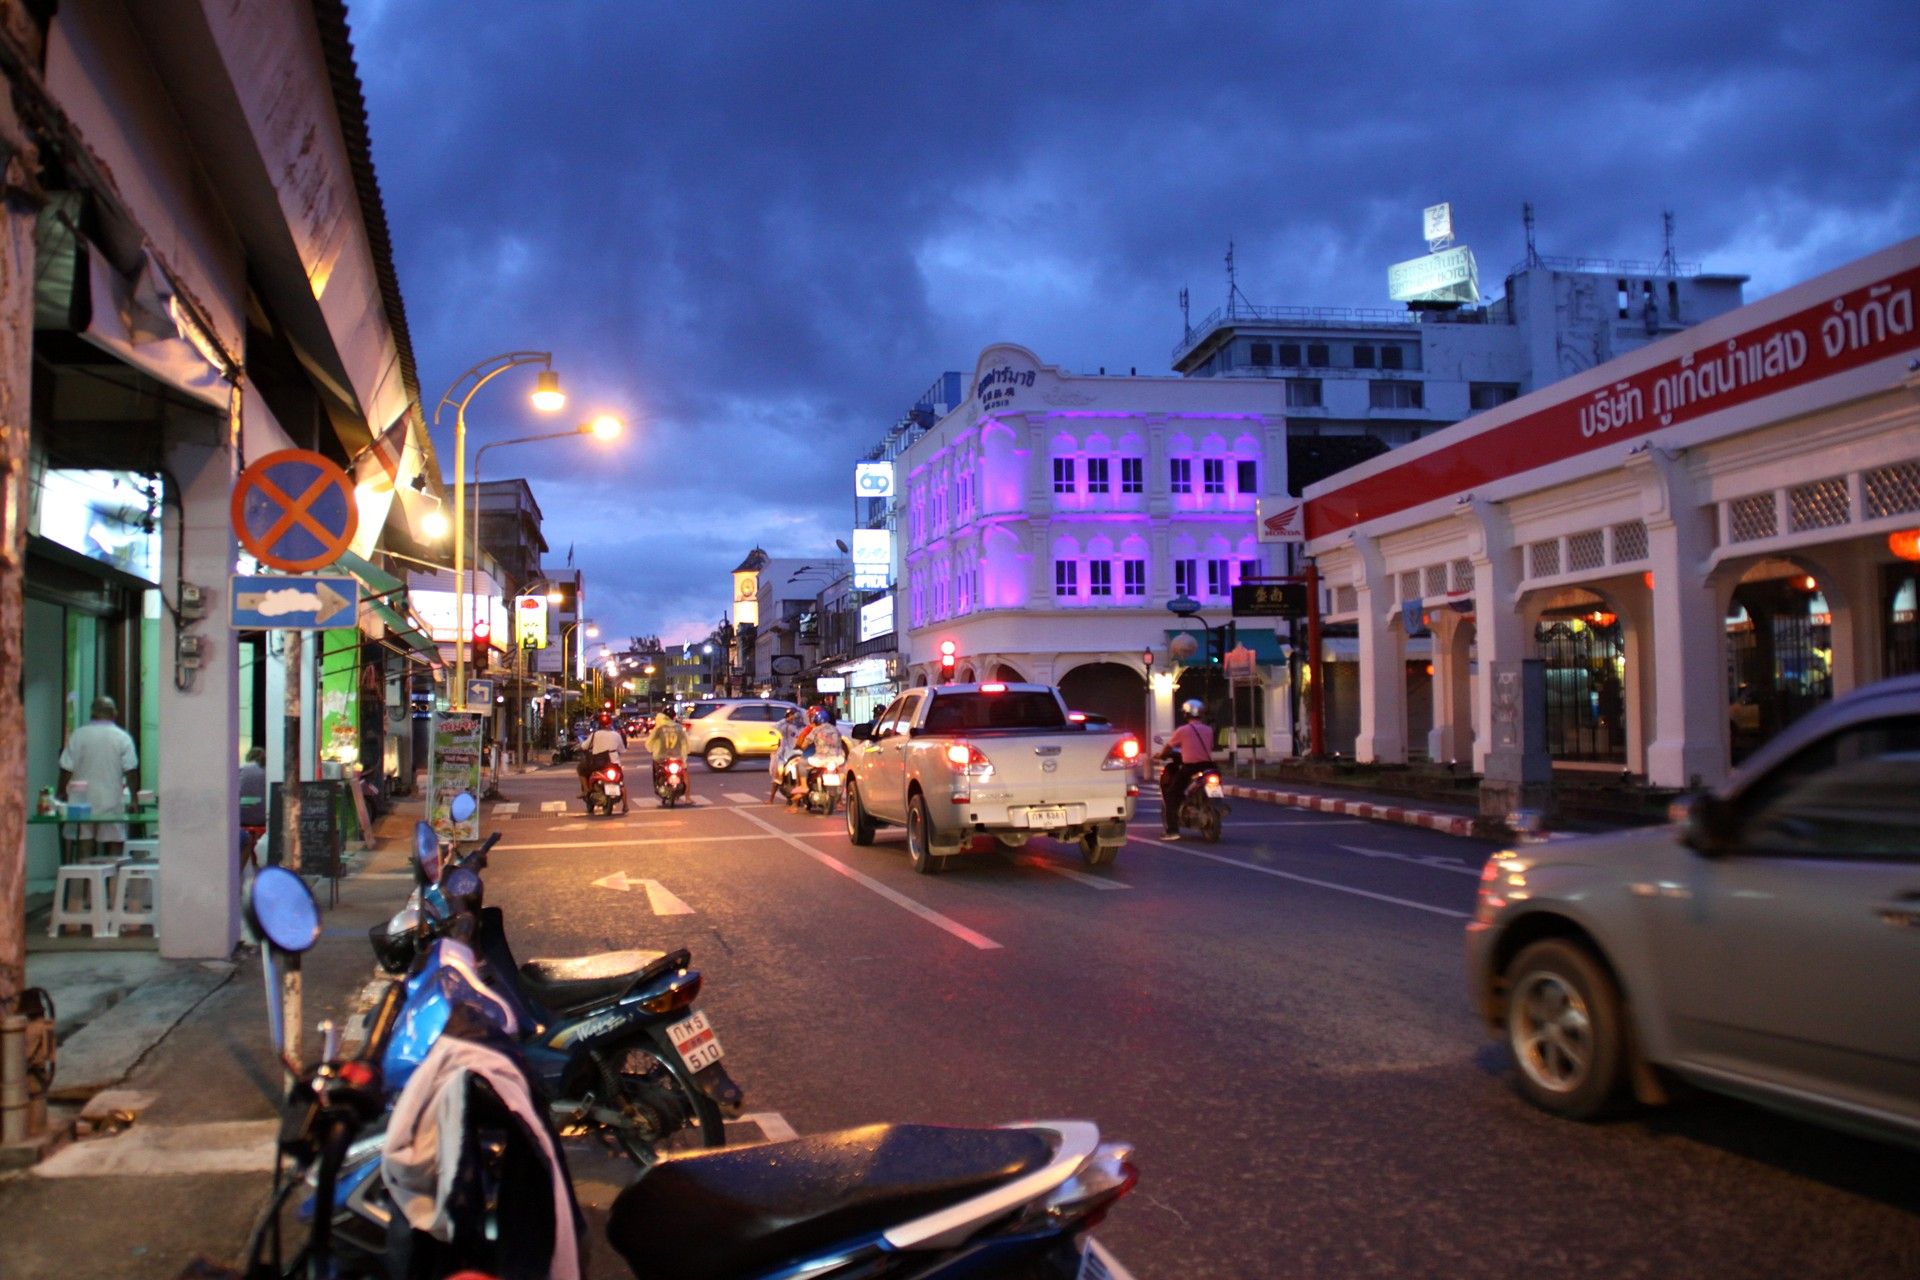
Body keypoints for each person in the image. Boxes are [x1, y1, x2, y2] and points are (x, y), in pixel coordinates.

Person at [58, 696, 140, 857]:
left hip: (81, 802)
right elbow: (131, 770)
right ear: (114, 713)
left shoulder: (79, 735)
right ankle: (112, 881)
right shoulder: (122, 738)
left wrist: (61, 794)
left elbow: (66, 768)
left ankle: (85, 879)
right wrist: (134, 799)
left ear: (92, 713)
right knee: (115, 847)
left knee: (84, 845)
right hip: (111, 801)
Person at [1157, 698, 1215, 840]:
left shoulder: (1183, 730)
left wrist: (1161, 756)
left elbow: (1169, 747)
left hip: (1190, 768)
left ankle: (1172, 831)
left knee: (1172, 794)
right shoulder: (1209, 730)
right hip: (1209, 767)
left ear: (1186, 714)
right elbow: (1210, 747)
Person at [791, 708, 846, 810]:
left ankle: (804, 786)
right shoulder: (835, 729)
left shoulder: (815, 729)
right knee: (843, 769)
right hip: (837, 759)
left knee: (802, 763)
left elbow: (805, 743)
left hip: (821, 759)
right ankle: (841, 788)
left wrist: (803, 746)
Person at [577, 711, 626, 796]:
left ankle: (586, 790)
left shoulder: (595, 734)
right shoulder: (616, 735)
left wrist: (580, 747)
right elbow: (622, 750)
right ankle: (625, 805)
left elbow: (584, 746)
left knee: (580, 768)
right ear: (610, 723)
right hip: (615, 764)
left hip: (598, 764)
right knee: (621, 782)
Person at [645, 711, 690, 799]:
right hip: (677, 756)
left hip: (661, 757)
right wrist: (685, 756)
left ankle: (658, 784)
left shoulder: (659, 728)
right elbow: (685, 743)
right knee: (684, 773)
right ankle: (688, 797)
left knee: (657, 770)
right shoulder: (679, 727)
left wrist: (651, 749)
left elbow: (649, 742)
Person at [769, 707, 804, 802]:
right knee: (778, 774)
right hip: (786, 755)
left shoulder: (803, 728)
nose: (793, 717)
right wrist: (786, 720)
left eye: (794, 715)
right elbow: (775, 727)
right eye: (790, 715)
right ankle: (771, 798)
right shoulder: (785, 727)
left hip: (799, 755)